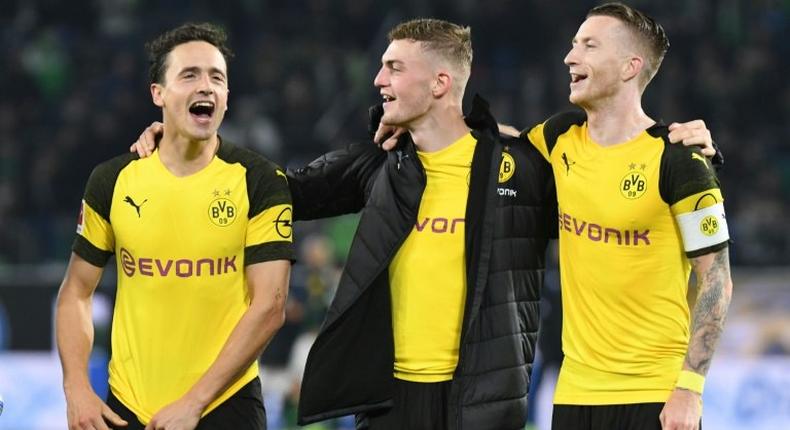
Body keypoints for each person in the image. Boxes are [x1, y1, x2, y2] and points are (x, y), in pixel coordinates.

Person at [130, 18, 714, 430]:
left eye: (392, 68)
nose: (378, 80)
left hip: (484, 403)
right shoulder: (379, 160)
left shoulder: (525, 164)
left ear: (439, 83)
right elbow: (281, 190)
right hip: (386, 400)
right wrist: (187, 144)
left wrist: (691, 148)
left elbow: (614, 173)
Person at [55, 22, 294, 430]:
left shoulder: (260, 181)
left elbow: (270, 305)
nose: (206, 86)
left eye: (217, 78)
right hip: (126, 407)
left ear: (226, 98)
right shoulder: (112, 181)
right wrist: (76, 387)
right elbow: (76, 292)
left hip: (226, 405)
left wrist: (196, 402)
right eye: (190, 75)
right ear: (158, 94)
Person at [522, 4, 731, 429]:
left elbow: (717, 279)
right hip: (574, 394)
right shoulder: (558, 137)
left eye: (589, 45)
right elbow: (498, 150)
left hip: (655, 395)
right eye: (573, 44)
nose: (570, 56)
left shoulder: (680, 160)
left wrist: (689, 388)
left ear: (629, 66)